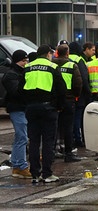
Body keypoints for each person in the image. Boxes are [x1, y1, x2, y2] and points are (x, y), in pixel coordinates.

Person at [20, 44, 66, 183]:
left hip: (32, 108)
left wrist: (27, 104)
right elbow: (61, 89)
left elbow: (20, 89)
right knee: (48, 142)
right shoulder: (52, 67)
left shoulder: (28, 67)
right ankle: (47, 173)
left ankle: (35, 173)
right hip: (48, 109)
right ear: (47, 54)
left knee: (33, 141)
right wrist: (59, 106)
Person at [1, 50, 31, 179]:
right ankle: (19, 166)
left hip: (22, 108)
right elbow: (16, 93)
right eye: (24, 61)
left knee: (22, 137)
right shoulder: (11, 75)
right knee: (21, 137)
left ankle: (18, 164)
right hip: (17, 108)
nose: (26, 63)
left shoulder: (17, 73)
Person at [52, 44, 83, 162]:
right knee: (68, 127)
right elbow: (78, 84)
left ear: (57, 53)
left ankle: (53, 151)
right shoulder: (72, 65)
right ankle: (68, 153)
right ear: (67, 53)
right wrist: (75, 95)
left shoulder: (52, 65)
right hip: (68, 99)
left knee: (54, 127)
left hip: (54, 100)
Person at [69, 41, 91, 147]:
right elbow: (83, 78)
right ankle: (78, 139)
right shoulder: (79, 60)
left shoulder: (65, 59)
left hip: (67, 94)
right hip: (79, 94)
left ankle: (70, 139)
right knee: (78, 117)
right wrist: (88, 92)